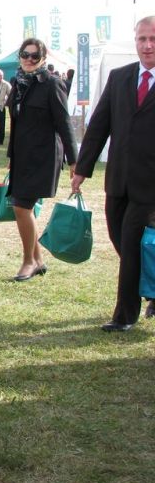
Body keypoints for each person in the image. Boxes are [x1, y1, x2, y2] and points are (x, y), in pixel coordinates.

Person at [71, 16, 155, 331]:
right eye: (143, 39)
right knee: (120, 239)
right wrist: (82, 168)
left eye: (153, 39)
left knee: (133, 243)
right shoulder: (120, 77)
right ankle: (151, 286)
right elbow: (99, 126)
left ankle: (124, 317)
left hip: (150, 186)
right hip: (118, 180)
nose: (147, 45)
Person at [7, 37, 77, 281]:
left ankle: (29, 261)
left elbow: (64, 123)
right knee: (24, 207)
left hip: (43, 156)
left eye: (34, 56)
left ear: (43, 59)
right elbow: (15, 123)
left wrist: (74, 161)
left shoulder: (52, 84)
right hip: (22, 155)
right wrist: (10, 157)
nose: (28, 59)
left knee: (21, 206)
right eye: (25, 54)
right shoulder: (18, 82)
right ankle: (37, 260)